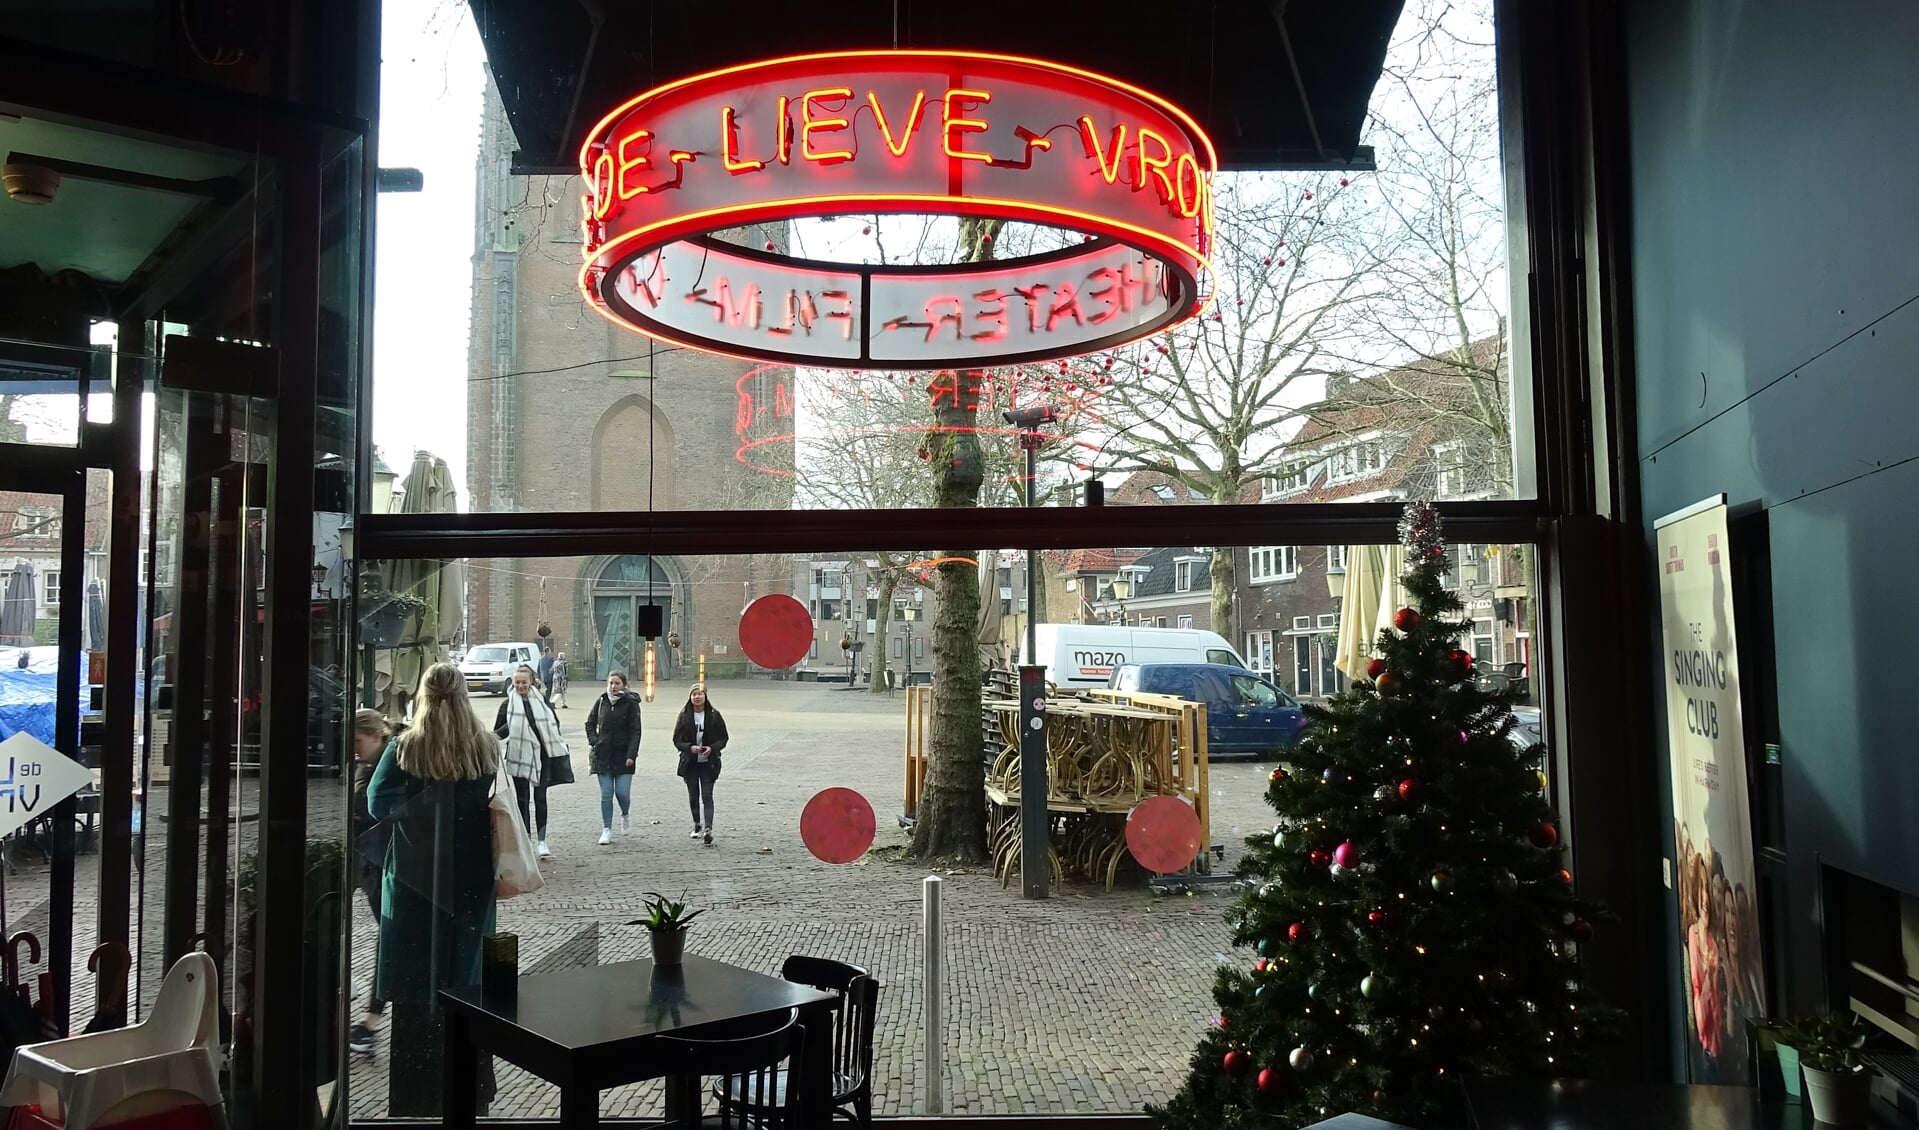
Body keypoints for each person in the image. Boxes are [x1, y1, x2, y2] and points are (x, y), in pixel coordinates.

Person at [367, 663, 498, 1117]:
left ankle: (416, 1092)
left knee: (415, 975)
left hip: (414, 877)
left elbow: (376, 801)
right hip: (470, 879)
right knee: (466, 974)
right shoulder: (484, 747)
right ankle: (472, 1091)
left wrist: (418, 817)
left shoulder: (406, 746)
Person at [348, 708, 391, 1056]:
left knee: (390, 937)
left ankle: (371, 1019)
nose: (355, 749)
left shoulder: (388, 765)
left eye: (359, 742)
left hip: (378, 864)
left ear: (377, 736)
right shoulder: (370, 764)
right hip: (366, 862)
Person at [494, 664, 562, 859]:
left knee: (540, 798)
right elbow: (498, 731)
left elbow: (554, 725)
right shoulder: (507, 705)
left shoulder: (543, 702)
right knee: (522, 800)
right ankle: (526, 839)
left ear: (531, 682)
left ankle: (542, 841)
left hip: (542, 756)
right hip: (519, 756)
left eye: (524, 682)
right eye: (517, 683)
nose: (520, 686)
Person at [585, 670, 641, 845]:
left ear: (623, 685)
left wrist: (631, 754)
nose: (613, 687)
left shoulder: (631, 704)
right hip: (603, 755)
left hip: (623, 755)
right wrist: (595, 741)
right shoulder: (602, 701)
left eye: (617, 683)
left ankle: (625, 814)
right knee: (606, 793)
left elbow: (636, 731)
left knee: (622, 793)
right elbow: (589, 723)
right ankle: (606, 829)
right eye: (610, 683)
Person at [671, 682, 729, 845]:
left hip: (709, 763)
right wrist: (690, 748)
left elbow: (723, 738)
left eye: (700, 694)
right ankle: (697, 824)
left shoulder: (714, 715)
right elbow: (676, 740)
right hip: (690, 763)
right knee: (693, 795)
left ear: (705, 696)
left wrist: (712, 748)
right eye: (694, 694)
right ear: (690, 697)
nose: (697, 697)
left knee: (707, 795)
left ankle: (708, 828)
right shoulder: (684, 715)